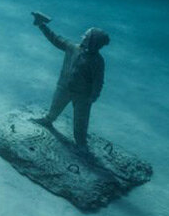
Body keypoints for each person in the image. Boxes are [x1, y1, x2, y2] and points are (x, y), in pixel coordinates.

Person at [30, 12, 110, 148]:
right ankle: (48, 120)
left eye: (86, 35)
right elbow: (55, 39)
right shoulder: (73, 48)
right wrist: (41, 25)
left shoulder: (97, 61)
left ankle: (81, 142)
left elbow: (98, 81)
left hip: (83, 96)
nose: (82, 36)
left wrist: (93, 96)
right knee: (55, 107)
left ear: (93, 42)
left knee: (81, 121)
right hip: (64, 88)